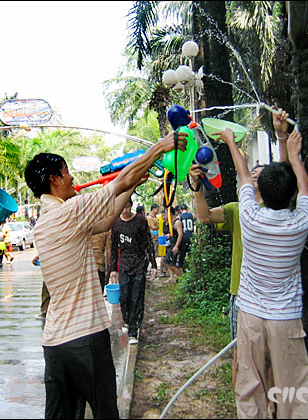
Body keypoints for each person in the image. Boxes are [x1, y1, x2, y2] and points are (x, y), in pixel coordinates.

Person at [24, 130, 186, 419]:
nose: (72, 178)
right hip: (85, 337)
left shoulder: (45, 222)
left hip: (56, 344)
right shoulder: (70, 211)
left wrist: (131, 186)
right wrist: (159, 149)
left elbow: (106, 221)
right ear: (54, 179)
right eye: (66, 172)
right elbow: (120, 181)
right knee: (105, 412)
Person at [188, 107, 292, 394]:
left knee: (271, 362)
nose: (255, 175)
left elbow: (285, 174)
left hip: (273, 300)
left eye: (261, 174)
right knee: (241, 359)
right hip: (242, 295)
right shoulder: (237, 210)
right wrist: (196, 186)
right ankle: (243, 406)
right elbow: (204, 217)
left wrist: (281, 137)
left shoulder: (278, 209)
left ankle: (270, 406)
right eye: (253, 172)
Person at [215, 126, 308, 418]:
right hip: (286, 320)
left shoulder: (249, 217)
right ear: (291, 195)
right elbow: (305, 190)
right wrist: (292, 154)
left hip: (251, 317)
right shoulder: (300, 223)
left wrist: (231, 142)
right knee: (292, 389)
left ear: (263, 193)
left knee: (249, 385)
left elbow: (245, 177)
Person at [110, 199, 157, 345]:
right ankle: (127, 320)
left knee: (137, 297)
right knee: (124, 297)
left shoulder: (140, 221)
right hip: (125, 264)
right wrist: (113, 269)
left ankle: (133, 331)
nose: (125, 211)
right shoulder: (116, 224)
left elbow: (148, 242)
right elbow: (113, 247)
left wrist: (153, 264)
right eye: (122, 208)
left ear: (131, 206)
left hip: (139, 263)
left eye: (127, 207)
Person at [163, 205, 185, 281]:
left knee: (174, 264)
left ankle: (182, 279)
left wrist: (176, 246)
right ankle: (182, 279)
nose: (164, 215)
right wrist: (169, 235)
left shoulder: (177, 222)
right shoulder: (171, 223)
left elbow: (180, 234)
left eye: (166, 213)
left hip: (178, 245)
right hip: (172, 244)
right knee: (166, 261)